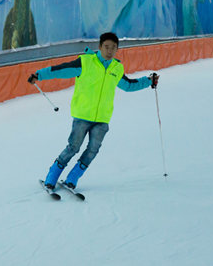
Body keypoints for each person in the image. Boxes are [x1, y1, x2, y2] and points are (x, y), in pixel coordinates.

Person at [28, 32, 159, 190]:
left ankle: (73, 178)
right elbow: (61, 70)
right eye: (106, 47)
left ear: (117, 49)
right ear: (99, 47)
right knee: (73, 148)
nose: (109, 51)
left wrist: (148, 81)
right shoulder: (86, 62)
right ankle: (51, 177)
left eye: (113, 48)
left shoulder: (117, 68)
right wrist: (39, 75)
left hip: (102, 118)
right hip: (83, 115)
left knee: (93, 150)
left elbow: (129, 85)